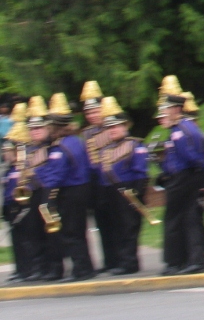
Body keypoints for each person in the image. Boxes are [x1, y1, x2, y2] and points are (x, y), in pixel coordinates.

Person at [38, 92, 95, 281]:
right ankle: (86, 266)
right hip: (82, 187)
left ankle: (81, 269)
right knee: (79, 230)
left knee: (71, 232)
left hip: (70, 191)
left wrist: (47, 195)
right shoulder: (76, 141)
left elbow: (56, 174)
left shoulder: (60, 148)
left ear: (55, 127)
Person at [154, 81, 204, 276]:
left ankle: (175, 261)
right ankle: (191, 259)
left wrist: (171, 173)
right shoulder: (181, 128)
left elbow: (189, 158)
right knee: (188, 218)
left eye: (165, 108)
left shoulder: (180, 131)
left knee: (175, 219)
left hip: (183, 178)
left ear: (176, 109)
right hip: (183, 177)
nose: (163, 113)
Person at [95, 97, 150, 275]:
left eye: (116, 126)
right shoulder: (105, 150)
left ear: (125, 126)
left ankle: (130, 262)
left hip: (129, 191)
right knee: (116, 228)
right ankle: (121, 260)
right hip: (111, 193)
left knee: (129, 228)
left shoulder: (135, 145)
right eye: (109, 127)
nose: (112, 130)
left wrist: (137, 193)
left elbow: (141, 173)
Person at [78, 80, 119, 274]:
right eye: (89, 113)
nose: (93, 116)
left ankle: (120, 258)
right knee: (101, 221)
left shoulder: (112, 128)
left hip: (111, 178)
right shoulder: (86, 133)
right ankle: (109, 259)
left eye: (96, 111)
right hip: (95, 181)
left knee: (115, 221)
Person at [19, 97, 61, 281]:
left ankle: (54, 268)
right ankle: (39, 267)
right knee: (33, 232)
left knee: (50, 233)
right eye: (32, 129)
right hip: (32, 193)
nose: (34, 132)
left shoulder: (53, 147)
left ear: (47, 128)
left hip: (48, 191)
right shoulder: (28, 150)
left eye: (38, 128)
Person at [2, 104, 35, 281]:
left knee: (25, 240)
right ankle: (20, 268)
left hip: (21, 205)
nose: (6, 154)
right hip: (10, 206)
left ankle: (28, 269)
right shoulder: (9, 169)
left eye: (8, 151)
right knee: (16, 241)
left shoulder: (22, 167)